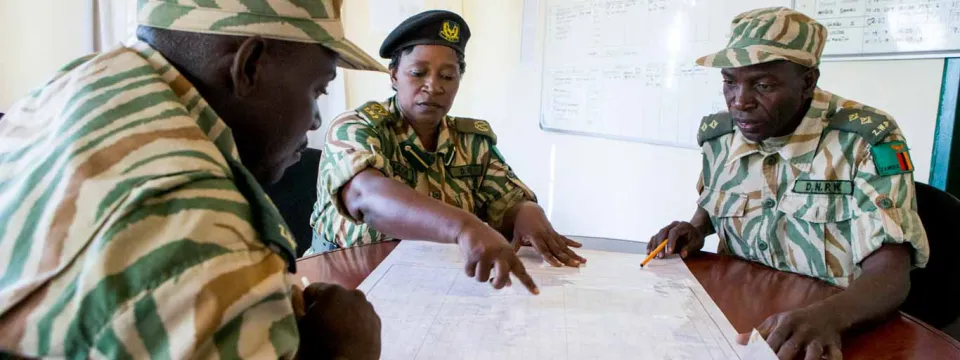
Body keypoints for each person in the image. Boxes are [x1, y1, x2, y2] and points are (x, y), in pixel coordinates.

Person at [0, 1, 384, 359]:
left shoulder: (81, 82)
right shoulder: (210, 242)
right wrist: (348, 349)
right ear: (249, 67)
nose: (316, 119)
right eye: (318, 90)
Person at [647, 7, 930, 360]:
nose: (740, 101)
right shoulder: (720, 136)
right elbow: (716, 203)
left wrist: (830, 316)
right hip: (738, 325)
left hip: (830, 330)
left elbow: (891, 272)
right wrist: (694, 229)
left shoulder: (865, 140)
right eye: (730, 81)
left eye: (763, 85)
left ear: (808, 81)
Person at [309, 10, 585, 294]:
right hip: (347, 286)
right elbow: (366, 197)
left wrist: (526, 211)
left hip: (435, 285)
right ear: (393, 76)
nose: (434, 86)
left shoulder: (470, 141)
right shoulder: (357, 127)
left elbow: (507, 199)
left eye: (448, 76)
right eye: (418, 73)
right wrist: (462, 226)